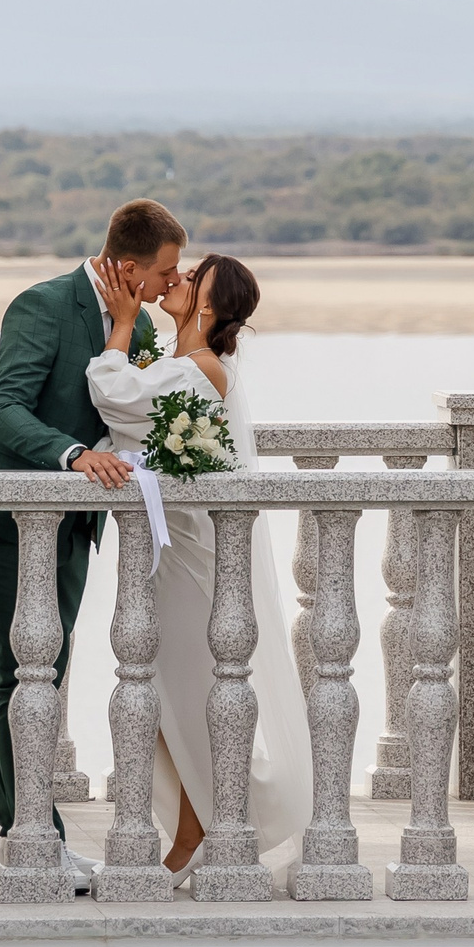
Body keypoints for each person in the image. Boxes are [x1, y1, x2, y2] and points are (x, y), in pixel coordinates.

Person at [0, 198, 184, 891]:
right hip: (8, 515)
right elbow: (4, 410)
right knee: (18, 667)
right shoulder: (42, 304)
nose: (166, 285)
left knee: (50, 667)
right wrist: (72, 453)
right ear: (125, 264)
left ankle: (42, 831)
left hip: (73, 525)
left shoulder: (137, 320)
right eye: (162, 272)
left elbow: (130, 404)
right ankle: (28, 832)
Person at [85, 250, 311, 883]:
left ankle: (213, 829)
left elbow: (110, 393)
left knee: (183, 701)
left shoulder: (203, 369)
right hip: (172, 553)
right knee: (170, 700)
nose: (177, 280)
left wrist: (123, 324)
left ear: (206, 304)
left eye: (190, 278)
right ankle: (199, 829)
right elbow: (134, 432)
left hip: (191, 563)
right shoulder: (184, 365)